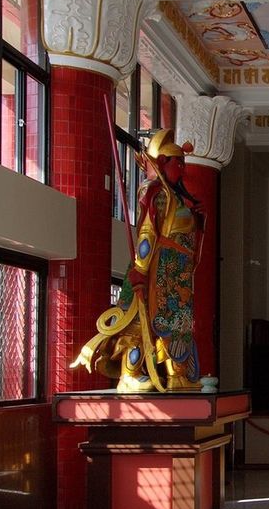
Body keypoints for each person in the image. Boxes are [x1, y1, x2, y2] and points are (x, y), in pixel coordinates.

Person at [71, 129, 204, 392]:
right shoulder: (157, 192)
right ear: (162, 163)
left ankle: (176, 374)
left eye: (182, 163)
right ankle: (130, 374)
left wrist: (198, 220)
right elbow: (147, 233)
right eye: (177, 162)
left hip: (176, 272)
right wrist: (141, 271)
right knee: (139, 319)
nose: (182, 168)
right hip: (157, 268)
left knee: (177, 323)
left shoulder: (178, 198)